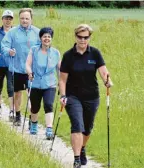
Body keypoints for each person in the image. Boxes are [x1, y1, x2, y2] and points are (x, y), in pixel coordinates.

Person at [59, 24, 113, 168]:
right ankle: (77, 159)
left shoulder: (95, 53)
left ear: (89, 37)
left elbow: (103, 72)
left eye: (86, 37)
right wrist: (63, 95)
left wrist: (108, 82)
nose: (83, 40)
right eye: (80, 37)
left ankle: (82, 148)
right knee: (77, 125)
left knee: (87, 128)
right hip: (72, 96)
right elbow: (62, 79)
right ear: (75, 36)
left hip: (91, 96)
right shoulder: (68, 56)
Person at [2, 8, 41, 126]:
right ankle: (17, 115)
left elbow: (44, 48)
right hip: (17, 68)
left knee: (32, 95)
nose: (24, 21)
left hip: (32, 70)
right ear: (19, 19)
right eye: (22, 18)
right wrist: (9, 51)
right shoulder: (13, 32)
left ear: (31, 19)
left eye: (27, 18)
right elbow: (4, 45)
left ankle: (32, 118)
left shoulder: (37, 32)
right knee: (17, 94)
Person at [25, 27, 60, 138]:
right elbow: (27, 64)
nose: (47, 39)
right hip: (35, 82)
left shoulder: (55, 52)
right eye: (44, 36)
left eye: (49, 37)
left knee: (49, 105)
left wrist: (61, 82)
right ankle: (34, 124)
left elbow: (59, 69)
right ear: (40, 38)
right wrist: (29, 72)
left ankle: (49, 128)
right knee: (35, 107)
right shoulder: (34, 50)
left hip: (50, 84)